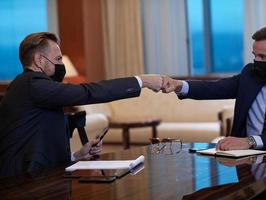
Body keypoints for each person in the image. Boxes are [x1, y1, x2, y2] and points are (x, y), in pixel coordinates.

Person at [0, 32, 162, 178]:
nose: (60, 65)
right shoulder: (32, 84)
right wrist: (142, 81)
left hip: (40, 178)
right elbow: (87, 92)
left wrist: (76, 156)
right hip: (23, 184)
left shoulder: (35, 87)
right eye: (57, 59)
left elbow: (41, 143)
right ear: (39, 60)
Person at [161, 26, 266, 151]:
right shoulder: (250, 75)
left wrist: (250, 141)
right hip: (242, 158)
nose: (257, 61)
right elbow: (214, 88)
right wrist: (178, 85)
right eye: (255, 55)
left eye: (263, 56)